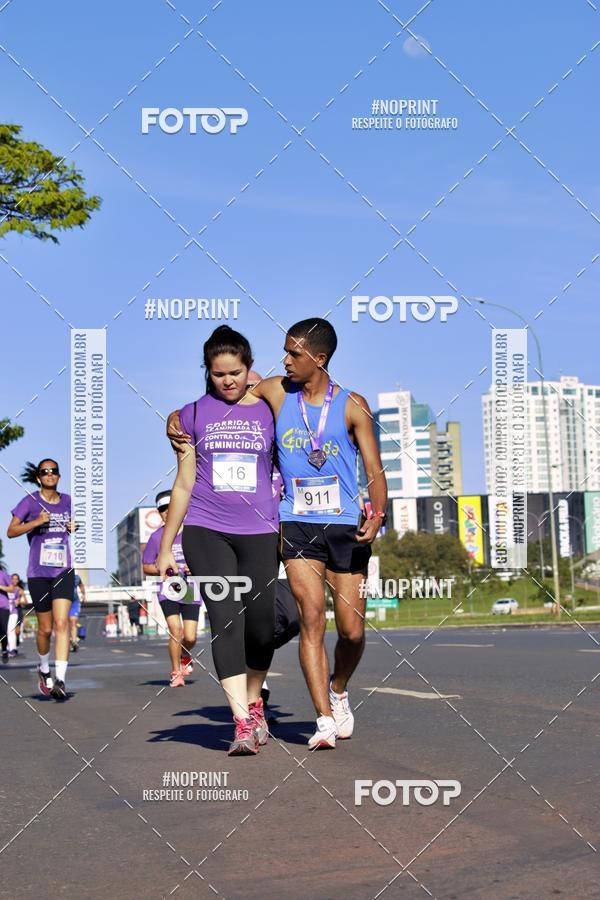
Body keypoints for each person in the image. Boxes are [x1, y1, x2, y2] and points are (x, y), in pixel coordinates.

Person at [167, 318, 386, 749]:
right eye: (283, 352)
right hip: (293, 522)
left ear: (319, 359)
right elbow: (219, 400)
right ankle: (320, 718)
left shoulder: (351, 405)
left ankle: (338, 689)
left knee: (352, 631)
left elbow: (375, 470)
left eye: (293, 354)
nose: (284, 361)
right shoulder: (273, 390)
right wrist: (178, 417)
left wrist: (377, 512)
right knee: (308, 618)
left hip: (343, 525)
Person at [158, 325, 278, 755]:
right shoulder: (189, 415)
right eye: (217, 373)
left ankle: (255, 699)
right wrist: (164, 545)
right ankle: (242, 722)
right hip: (206, 530)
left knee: (261, 627)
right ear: (207, 372)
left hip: (262, 531)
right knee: (226, 621)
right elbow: (184, 484)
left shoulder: (270, 408)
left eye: (235, 372)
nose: (227, 381)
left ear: (250, 369)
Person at [7, 459, 76, 699]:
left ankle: (60, 679)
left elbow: (73, 525)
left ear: (58, 475)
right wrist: (36, 521)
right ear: (38, 477)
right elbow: (11, 530)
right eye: (45, 472)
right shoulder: (30, 501)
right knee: (45, 629)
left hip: (63, 570)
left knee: (62, 623)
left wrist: (72, 526)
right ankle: (44, 668)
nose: (49, 475)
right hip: (38, 573)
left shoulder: (67, 501)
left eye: (53, 471)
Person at [143, 490, 200, 687]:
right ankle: (176, 671)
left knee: (190, 636)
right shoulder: (157, 537)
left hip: (191, 589)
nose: (167, 512)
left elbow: (207, 560)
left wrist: (197, 568)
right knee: (175, 629)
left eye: (171, 507)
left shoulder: (194, 533)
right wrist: (162, 569)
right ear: (159, 513)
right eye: (163, 509)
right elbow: (146, 566)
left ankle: (185, 653)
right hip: (169, 589)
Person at [7, 574, 26, 657]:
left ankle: (14, 645)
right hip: (8, 611)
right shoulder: (7, 588)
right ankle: (11, 647)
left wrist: (20, 602)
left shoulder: (20, 590)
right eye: (13, 579)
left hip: (17, 611)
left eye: (16, 579)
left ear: (18, 580)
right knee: (9, 630)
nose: (14, 581)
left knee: (16, 631)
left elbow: (25, 602)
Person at [69, 573, 86, 652]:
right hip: (63, 602)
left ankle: (74, 641)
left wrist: (83, 594)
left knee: (73, 621)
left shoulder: (76, 577)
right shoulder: (58, 576)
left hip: (75, 602)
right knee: (64, 622)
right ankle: (68, 639)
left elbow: (81, 585)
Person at [0, 569, 12, 662]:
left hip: (3, 607)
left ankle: (4, 650)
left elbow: (11, 588)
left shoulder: (3, 574)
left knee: (3, 630)